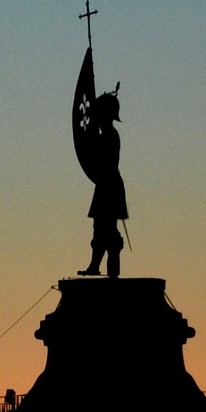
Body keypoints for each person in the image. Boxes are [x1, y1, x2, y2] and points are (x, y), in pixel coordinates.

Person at [74, 86, 126, 276]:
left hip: (109, 186)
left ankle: (107, 268)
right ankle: (96, 266)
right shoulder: (106, 136)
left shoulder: (110, 136)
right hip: (106, 184)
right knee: (101, 228)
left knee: (106, 229)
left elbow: (105, 163)